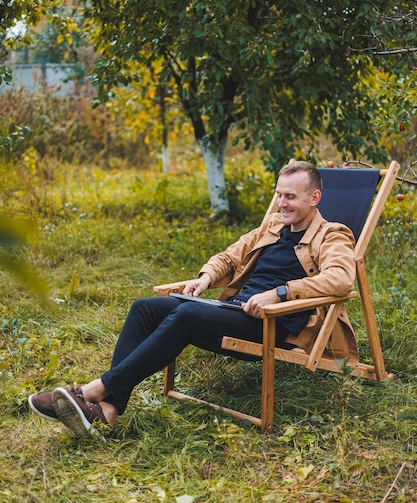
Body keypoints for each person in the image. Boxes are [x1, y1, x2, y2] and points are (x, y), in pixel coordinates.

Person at [28, 161, 358, 438]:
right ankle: (110, 410)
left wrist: (280, 293)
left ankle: (92, 391)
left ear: (314, 198)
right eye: (278, 195)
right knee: (144, 308)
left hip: (270, 323)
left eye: (290, 196)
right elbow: (228, 257)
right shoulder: (271, 227)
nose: (281, 203)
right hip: (234, 310)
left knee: (185, 317)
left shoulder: (332, 235)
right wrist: (206, 278)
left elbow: (341, 279)